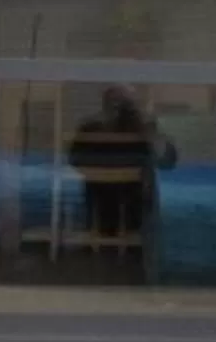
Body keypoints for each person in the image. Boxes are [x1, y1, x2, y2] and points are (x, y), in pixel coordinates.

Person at [66, 86, 175, 254]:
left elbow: (74, 160)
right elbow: (167, 162)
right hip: (131, 197)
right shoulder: (141, 129)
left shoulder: (89, 128)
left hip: (99, 199)